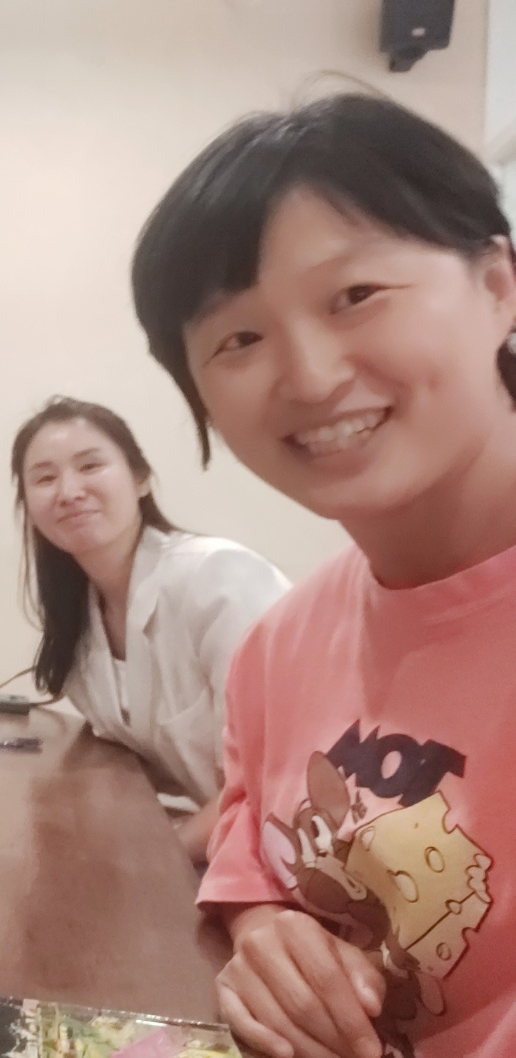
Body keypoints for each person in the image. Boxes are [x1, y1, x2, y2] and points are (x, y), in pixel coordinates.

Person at [132, 93, 516, 1058]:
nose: (308, 377)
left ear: (496, 286)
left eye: (355, 295)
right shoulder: (280, 644)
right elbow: (246, 836)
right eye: (238, 339)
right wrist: (265, 933)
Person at [11, 396, 289, 861]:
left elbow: (282, 774)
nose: (69, 491)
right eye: (44, 478)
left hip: (307, 849)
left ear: (140, 478)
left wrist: (163, 856)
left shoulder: (218, 579)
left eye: (90, 466)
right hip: (224, 849)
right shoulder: (81, 619)